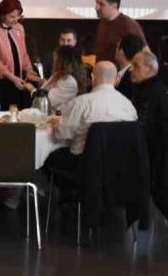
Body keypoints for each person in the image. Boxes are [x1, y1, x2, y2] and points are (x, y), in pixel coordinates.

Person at [47, 61, 137, 172]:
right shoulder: (129, 106)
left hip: (82, 164)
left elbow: (59, 134)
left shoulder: (81, 103)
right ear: (117, 79)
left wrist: (57, 113)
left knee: (50, 157)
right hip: (119, 166)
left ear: (93, 78)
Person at [0, 0, 40, 110]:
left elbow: (24, 54)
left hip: (21, 81)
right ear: (2, 15)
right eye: (12, 17)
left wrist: (29, 70)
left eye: (18, 16)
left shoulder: (19, 28)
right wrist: (13, 78)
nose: (16, 20)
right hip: (3, 82)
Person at [129, 51, 168, 198]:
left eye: (136, 65)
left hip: (154, 158)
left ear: (150, 69)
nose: (131, 69)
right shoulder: (146, 88)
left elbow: (144, 128)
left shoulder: (152, 92)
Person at [95, 0, 146, 65]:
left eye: (101, 4)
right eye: (96, 3)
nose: (96, 7)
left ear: (114, 6)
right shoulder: (102, 22)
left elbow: (146, 53)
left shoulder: (129, 25)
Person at [29, 45, 87, 110]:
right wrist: (39, 81)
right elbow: (46, 89)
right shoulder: (57, 74)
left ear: (63, 61)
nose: (54, 61)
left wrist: (31, 89)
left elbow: (47, 100)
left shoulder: (69, 81)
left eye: (56, 58)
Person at [115, 33, 147, 101]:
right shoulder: (138, 75)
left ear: (121, 52)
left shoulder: (131, 78)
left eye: (117, 47)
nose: (115, 50)